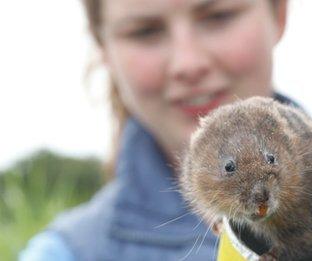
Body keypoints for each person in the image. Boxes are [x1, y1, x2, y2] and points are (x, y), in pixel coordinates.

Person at [20, 0, 290, 260]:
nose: (188, 64)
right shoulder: (65, 253)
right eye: (144, 31)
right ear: (103, 49)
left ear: (278, 13)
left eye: (218, 15)